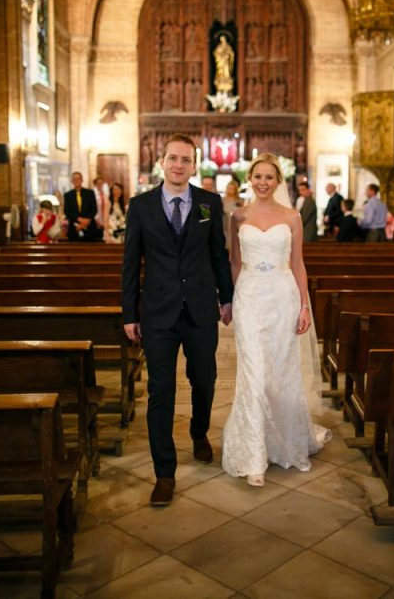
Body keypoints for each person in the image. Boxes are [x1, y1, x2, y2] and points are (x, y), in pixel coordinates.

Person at [121, 134, 234, 507]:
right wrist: (129, 313)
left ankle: (199, 431)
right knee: (161, 393)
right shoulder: (140, 206)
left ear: (194, 164)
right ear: (161, 162)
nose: (178, 165)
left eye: (186, 160)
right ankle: (164, 473)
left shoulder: (208, 203)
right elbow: (130, 264)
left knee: (205, 380)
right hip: (158, 312)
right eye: (172, 158)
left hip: (200, 308)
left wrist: (228, 297)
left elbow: (218, 254)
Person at [222, 154, 331, 487]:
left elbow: (298, 263)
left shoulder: (292, 217)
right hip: (250, 296)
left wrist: (304, 306)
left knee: (282, 371)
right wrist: (228, 300)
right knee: (254, 373)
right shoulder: (238, 216)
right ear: (250, 179)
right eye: (258, 176)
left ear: (278, 181)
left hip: (282, 296)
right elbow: (234, 262)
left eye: (270, 177)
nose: (263, 182)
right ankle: (253, 455)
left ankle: (285, 441)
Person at [63, 172, 100, 241]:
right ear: (72, 181)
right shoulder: (67, 195)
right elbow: (67, 211)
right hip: (74, 228)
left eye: (78, 179)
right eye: (74, 179)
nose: (76, 181)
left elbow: (94, 209)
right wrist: (79, 219)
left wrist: (87, 221)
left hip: (89, 227)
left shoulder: (90, 193)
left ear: (82, 180)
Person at [222, 180, 243, 249]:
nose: (230, 190)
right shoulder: (222, 200)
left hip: (236, 227)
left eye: (232, 189)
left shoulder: (240, 201)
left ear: (235, 190)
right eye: (229, 188)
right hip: (225, 226)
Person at [92, 176, 109, 242]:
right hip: (96, 218)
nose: (100, 185)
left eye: (101, 183)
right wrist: (96, 218)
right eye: (98, 183)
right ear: (95, 184)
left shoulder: (105, 194)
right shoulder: (93, 194)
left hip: (104, 218)